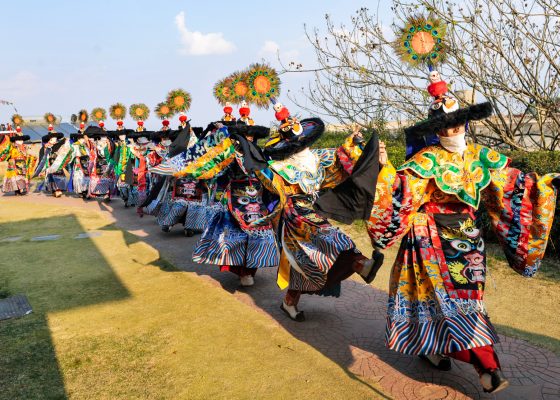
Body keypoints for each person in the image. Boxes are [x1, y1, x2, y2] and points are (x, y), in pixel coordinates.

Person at [367, 91, 560, 393]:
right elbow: (400, 190)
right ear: (437, 129)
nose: (452, 129)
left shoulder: (482, 156)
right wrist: (385, 168)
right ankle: (487, 367)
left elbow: (513, 183)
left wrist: (542, 185)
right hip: (428, 239)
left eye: (457, 122)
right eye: (445, 124)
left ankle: (440, 348)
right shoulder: (426, 159)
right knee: (450, 304)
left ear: (466, 123)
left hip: (469, 241)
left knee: (467, 302)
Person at [251, 101, 380, 321]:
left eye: (303, 140)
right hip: (294, 214)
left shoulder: (318, 157)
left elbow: (340, 162)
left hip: (314, 209)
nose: (302, 145)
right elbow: (269, 182)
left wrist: (354, 142)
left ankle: (289, 302)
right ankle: (360, 262)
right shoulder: (280, 168)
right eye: (297, 142)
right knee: (328, 240)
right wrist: (253, 157)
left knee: (306, 260)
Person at [34, 125, 67, 197]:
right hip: (49, 165)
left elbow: (63, 142)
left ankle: (58, 189)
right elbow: (41, 158)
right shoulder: (44, 148)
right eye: (53, 139)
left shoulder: (58, 145)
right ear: (49, 140)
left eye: (56, 139)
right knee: (52, 177)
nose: (55, 140)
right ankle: (55, 190)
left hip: (58, 165)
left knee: (60, 176)